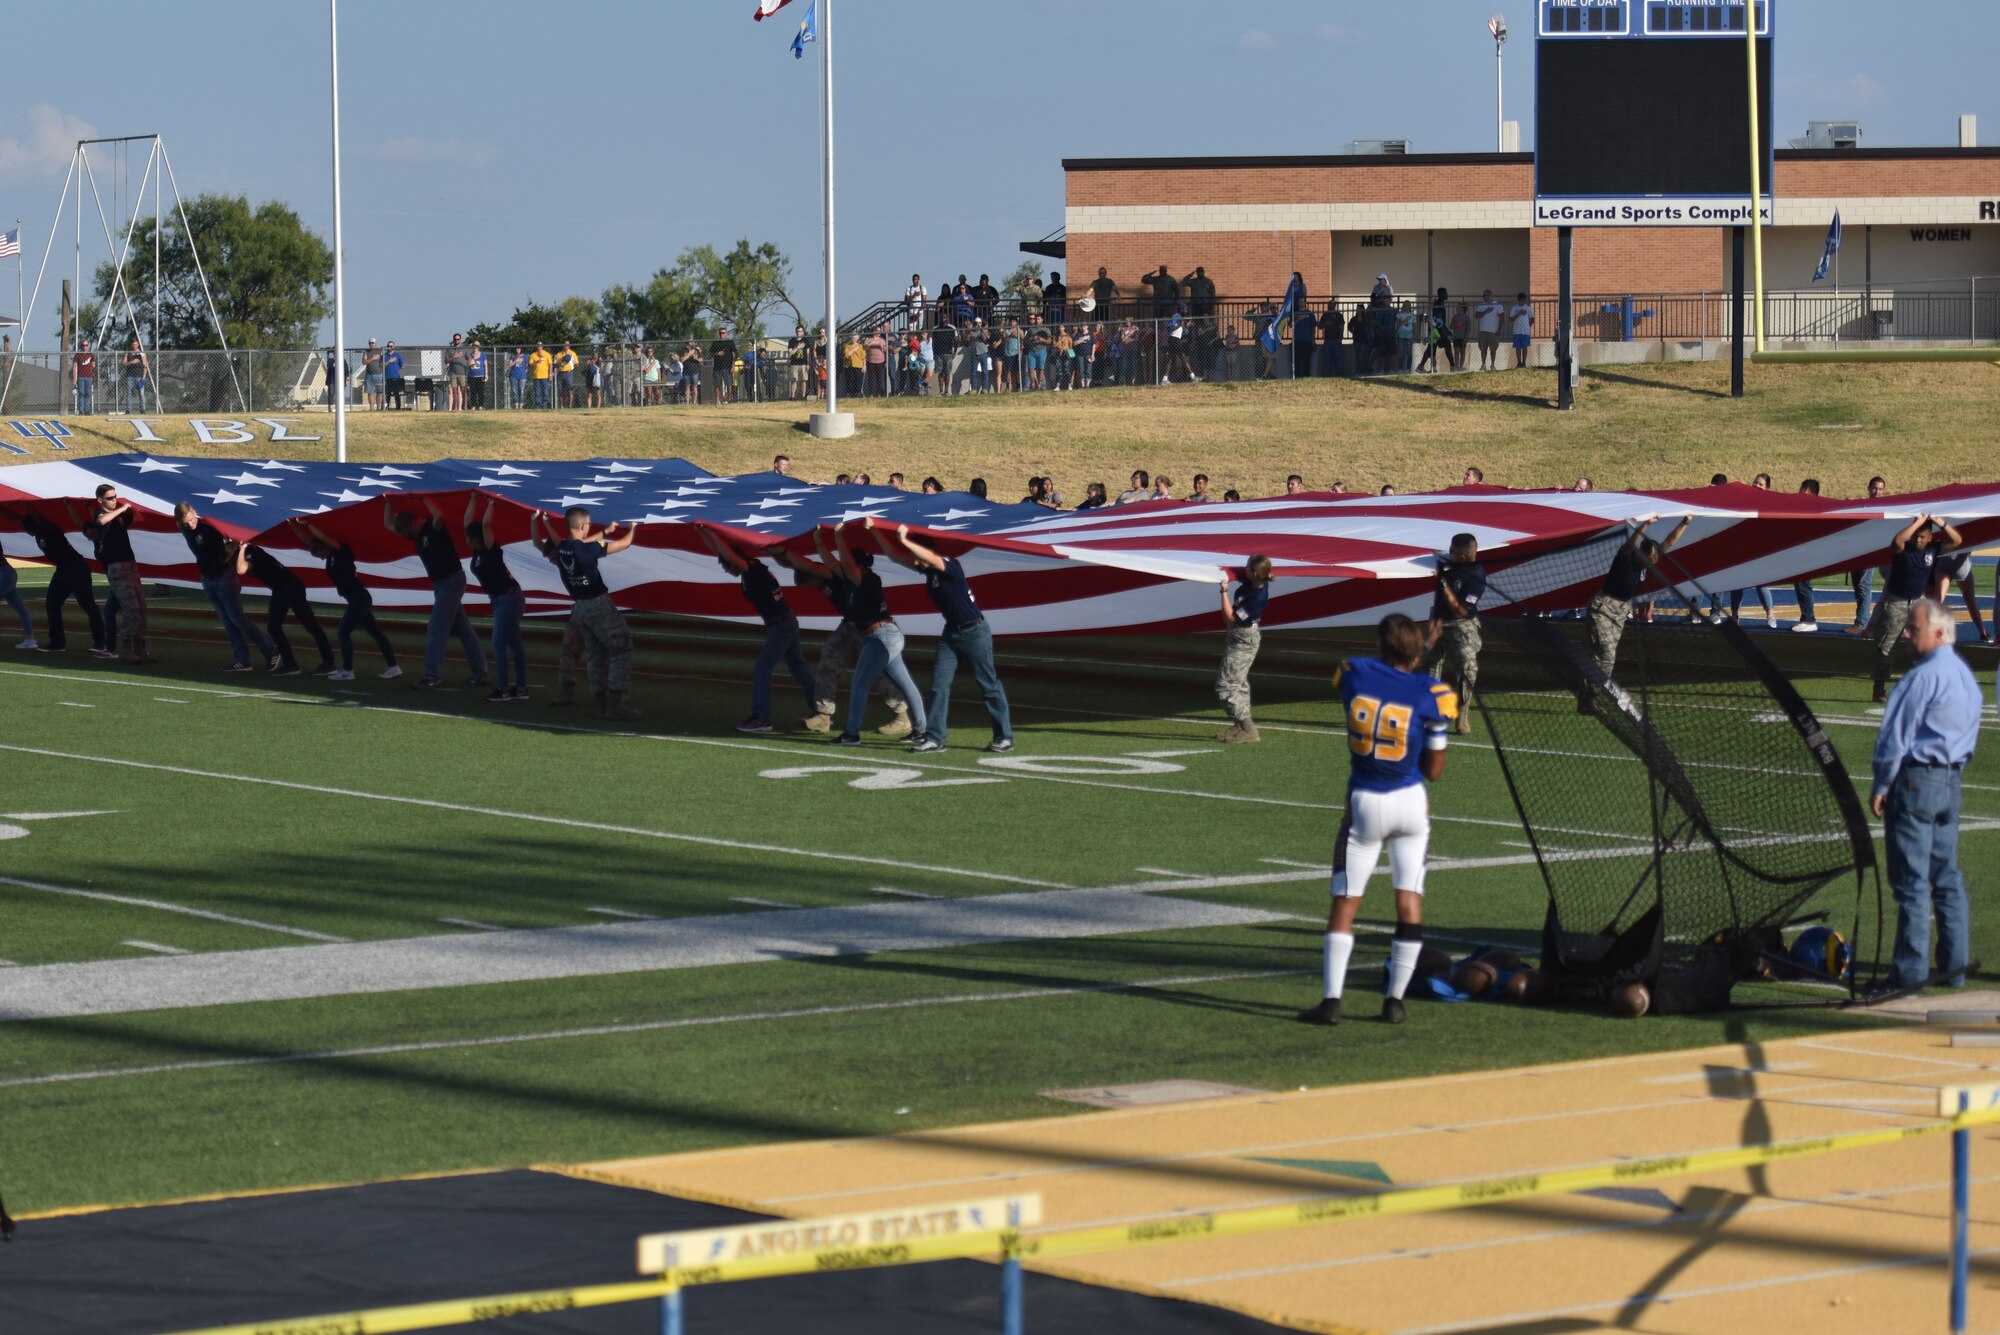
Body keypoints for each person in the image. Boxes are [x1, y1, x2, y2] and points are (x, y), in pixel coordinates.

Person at [1298, 613, 1457, 1027]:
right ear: (1416, 650)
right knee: (1409, 901)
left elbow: (1386, 675)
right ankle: (1394, 1002)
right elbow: (1435, 770)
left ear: (1381, 645)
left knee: (1346, 902)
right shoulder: (1433, 693)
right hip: (1410, 802)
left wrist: (1417, 646)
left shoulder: (1352, 673)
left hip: (1365, 801)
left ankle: (1332, 1001)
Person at [1871, 598, 1980, 990]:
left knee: (1912, 881)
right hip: (1950, 780)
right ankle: (1954, 969)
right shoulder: (1965, 676)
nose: (1905, 634)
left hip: (1917, 779)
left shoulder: (1921, 677)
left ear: (1938, 631)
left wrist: (1882, 784)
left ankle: (1909, 973)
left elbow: (1895, 737)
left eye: (1913, 629)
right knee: (1947, 877)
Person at [876, 521, 1012, 754]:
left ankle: (1004, 736)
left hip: (975, 632)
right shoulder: (929, 571)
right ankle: (936, 737)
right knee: (939, 684)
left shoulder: (950, 565)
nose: (915, 561)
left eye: (917, 555)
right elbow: (896, 557)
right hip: (952, 632)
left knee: (988, 685)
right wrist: (875, 531)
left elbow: (927, 557)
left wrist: (906, 540)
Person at [784, 528, 912, 735]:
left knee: (879, 674)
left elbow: (811, 565)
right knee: (828, 660)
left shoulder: (864, 578)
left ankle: (902, 716)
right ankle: (823, 716)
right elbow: (813, 562)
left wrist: (837, 537)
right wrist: (813, 544)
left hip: (873, 631)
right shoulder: (840, 573)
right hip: (849, 626)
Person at [700, 527, 818, 733]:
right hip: (785, 622)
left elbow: (728, 554)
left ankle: (762, 718)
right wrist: (701, 531)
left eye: (727, 566)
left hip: (782, 624)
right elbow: (722, 552)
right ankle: (821, 711)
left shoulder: (751, 569)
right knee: (799, 668)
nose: (727, 570)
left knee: (763, 668)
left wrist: (712, 533)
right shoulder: (753, 568)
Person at [531, 505, 638, 719]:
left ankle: (603, 704)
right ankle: (617, 704)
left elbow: (551, 541)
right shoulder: (586, 550)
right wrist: (633, 529)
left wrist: (540, 523)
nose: (589, 527)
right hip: (597, 604)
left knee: (596, 654)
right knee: (620, 648)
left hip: (579, 607)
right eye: (588, 524)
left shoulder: (562, 549)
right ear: (582, 525)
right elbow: (625, 544)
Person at [828, 523, 927, 747]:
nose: (845, 568)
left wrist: (838, 536)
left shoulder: (866, 579)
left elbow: (844, 563)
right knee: (906, 684)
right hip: (883, 636)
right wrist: (818, 540)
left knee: (860, 683)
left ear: (859, 565)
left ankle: (852, 734)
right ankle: (921, 730)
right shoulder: (857, 580)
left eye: (851, 564)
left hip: (881, 637)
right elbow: (833, 563)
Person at [384, 495, 488, 689]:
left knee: (436, 627)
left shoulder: (432, 526)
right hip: (442, 584)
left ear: (413, 522)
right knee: (463, 629)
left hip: (451, 580)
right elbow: (388, 524)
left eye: (406, 531)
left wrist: (424, 498)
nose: (406, 536)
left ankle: (432, 675)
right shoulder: (414, 533)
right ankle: (480, 672)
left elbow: (439, 515)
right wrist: (389, 503)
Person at [286, 517, 399, 681]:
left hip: (359, 597)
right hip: (355, 598)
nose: (321, 558)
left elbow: (323, 538)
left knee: (343, 632)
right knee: (375, 632)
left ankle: (347, 671)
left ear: (326, 548)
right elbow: (308, 541)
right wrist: (292, 525)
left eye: (321, 554)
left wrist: (308, 524)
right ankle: (393, 666)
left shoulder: (341, 552)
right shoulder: (329, 556)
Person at [1873, 514, 1965, 704]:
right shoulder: (1903, 549)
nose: (1918, 540)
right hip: (1896, 601)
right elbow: (1897, 540)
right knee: (1887, 645)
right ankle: (1879, 686)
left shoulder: (1933, 549)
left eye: (1922, 536)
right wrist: (1916, 524)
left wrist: (1941, 523)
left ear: (1930, 537)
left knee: (1926, 643)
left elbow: (1957, 540)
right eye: (1916, 536)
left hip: (1918, 601)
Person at [1587, 514, 1692, 681]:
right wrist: (1646, 524)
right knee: (1606, 653)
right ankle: (1594, 689)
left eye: (1653, 560)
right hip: (1603, 607)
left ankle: (1592, 690)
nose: (1651, 562)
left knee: (1606, 654)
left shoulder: (1648, 562)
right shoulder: (1626, 557)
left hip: (1620, 611)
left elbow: (1669, 542)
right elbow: (1630, 543)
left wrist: (1685, 522)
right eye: (1649, 559)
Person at [174, 502, 276, 671]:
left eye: (191, 520)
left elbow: (230, 539)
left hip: (224, 575)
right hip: (208, 578)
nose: (190, 524)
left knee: (238, 619)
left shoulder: (208, 527)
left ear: (194, 512)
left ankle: (270, 651)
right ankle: (242, 659)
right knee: (228, 622)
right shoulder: (185, 530)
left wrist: (231, 549)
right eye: (186, 522)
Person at [11, 508, 109, 659]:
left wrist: (26, 504)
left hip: (76, 567)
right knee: (52, 603)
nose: (26, 529)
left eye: (28, 526)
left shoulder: (49, 529)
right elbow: (16, 519)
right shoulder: (37, 533)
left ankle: (101, 642)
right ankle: (57, 642)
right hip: (63, 570)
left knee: (87, 604)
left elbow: (40, 518)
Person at [70, 484, 146, 663]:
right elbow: (101, 521)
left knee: (140, 607)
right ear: (100, 501)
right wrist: (121, 509)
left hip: (130, 565)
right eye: (110, 498)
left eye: (115, 497)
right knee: (131, 609)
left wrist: (132, 510)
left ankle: (139, 647)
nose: (114, 500)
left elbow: (138, 519)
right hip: (117, 569)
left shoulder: (117, 518)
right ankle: (124, 648)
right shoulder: (102, 517)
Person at [237, 540, 334, 677]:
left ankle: (329, 663)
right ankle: (291, 665)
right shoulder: (245, 552)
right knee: (274, 627)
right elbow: (228, 558)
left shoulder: (253, 552)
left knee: (311, 626)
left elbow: (241, 569)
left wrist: (242, 548)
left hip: (290, 587)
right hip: (280, 589)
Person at [464, 495, 528, 702]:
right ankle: (520, 688)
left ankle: (503, 689)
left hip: (507, 598)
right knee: (515, 644)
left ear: (477, 539)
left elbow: (485, 524)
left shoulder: (490, 549)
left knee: (499, 644)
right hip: (503, 599)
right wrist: (473, 499)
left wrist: (491, 502)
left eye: (469, 538)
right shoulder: (479, 551)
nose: (466, 541)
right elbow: (468, 523)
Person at [1423, 533, 1484, 736]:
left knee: (1467, 670)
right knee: (1429, 667)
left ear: (1463, 556)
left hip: (1461, 626)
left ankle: (1462, 715)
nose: (1449, 553)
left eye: (1453, 551)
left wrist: (1443, 585)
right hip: (1438, 623)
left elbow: (1461, 611)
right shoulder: (1445, 564)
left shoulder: (1476, 575)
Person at [1215, 555, 1274, 744]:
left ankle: (1248, 728)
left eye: (1248, 567)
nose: (1244, 569)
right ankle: (1239, 725)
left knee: (1226, 685)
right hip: (1238, 635)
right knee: (1239, 684)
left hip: (1243, 638)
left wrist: (1223, 592)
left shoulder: (1257, 599)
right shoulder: (1252, 581)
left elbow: (1230, 618)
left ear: (1256, 573)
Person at [1850, 475, 1888, 632]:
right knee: (1857, 586)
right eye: (1874, 488)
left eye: (1880, 489)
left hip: (1871, 551)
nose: (1877, 492)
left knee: (1864, 585)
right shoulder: (1863, 505)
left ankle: (1862, 623)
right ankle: (1860, 620)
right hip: (1857, 550)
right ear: (1868, 488)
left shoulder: (1886, 508)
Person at [1791, 478, 1824, 632]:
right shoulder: (1804, 508)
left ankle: (1809, 619)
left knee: (1803, 584)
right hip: (1801, 550)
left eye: (1804, 491)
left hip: (1807, 551)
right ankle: (1806, 617)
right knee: (1800, 584)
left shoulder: (1814, 509)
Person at [1, 540, 36, 649]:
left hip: (4, 574)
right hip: (8, 573)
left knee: (20, 608)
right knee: (20, 608)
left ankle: (30, 639)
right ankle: (30, 639)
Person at [1472, 290, 1504, 371]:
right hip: (1483, 331)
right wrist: (1485, 311)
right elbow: (1476, 316)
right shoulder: (1481, 305)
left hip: (1493, 331)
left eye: (1486, 295)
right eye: (1484, 295)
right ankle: (1483, 364)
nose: (1485, 297)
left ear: (1491, 296)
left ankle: (1492, 365)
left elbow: (1502, 317)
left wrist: (1499, 329)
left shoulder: (1497, 305)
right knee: (1483, 349)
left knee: (1493, 349)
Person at [1507, 294, 1534, 368]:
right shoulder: (1514, 308)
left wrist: (1528, 326)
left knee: (1524, 347)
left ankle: (1524, 363)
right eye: (1521, 300)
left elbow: (1532, 319)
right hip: (1517, 331)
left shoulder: (1528, 308)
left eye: (1524, 300)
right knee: (1518, 347)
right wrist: (1519, 313)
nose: (1523, 302)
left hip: (1525, 331)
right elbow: (1511, 319)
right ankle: (1519, 362)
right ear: (1518, 300)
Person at [122, 337, 148, 411]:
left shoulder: (142, 353)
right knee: (129, 393)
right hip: (130, 376)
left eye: (136, 344)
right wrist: (131, 362)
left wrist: (144, 377)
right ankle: (128, 410)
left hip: (139, 376)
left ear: (138, 344)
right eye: (133, 344)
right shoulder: (128, 353)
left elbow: (145, 365)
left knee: (141, 394)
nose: (134, 346)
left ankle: (142, 409)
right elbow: (123, 363)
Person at [72, 337, 96, 414]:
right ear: (81, 346)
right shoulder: (78, 355)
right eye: (83, 345)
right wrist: (74, 380)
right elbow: (75, 367)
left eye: (86, 345)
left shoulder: (91, 355)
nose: (85, 347)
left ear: (88, 346)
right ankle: (81, 410)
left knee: (87, 393)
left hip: (89, 376)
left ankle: (87, 410)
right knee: (81, 393)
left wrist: (93, 366)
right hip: (81, 376)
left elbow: (93, 365)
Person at [528, 342, 553, 409]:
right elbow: (530, 365)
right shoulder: (533, 355)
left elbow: (550, 364)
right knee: (537, 392)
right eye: (538, 346)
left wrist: (550, 374)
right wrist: (537, 362)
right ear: (537, 347)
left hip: (545, 376)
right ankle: (538, 406)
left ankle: (544, 406)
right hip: (536, 376)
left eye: (540, 346)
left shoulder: (547, 354)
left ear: (542, 347)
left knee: (545, 392)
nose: (539, 347)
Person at [384, 341, 406, 410]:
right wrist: (389, 362)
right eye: (388, 346)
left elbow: (402, 365)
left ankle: (398, 407)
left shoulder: (398, 355)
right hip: (388, 378)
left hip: (396, 378)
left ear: (394, 347)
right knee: (388, 393)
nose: (389, 347)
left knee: (396, 393)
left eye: (391, 346)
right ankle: (387, 407)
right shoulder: (385, 356)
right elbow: (381, 365)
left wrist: (396, 368)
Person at [466, 340, 488, 410]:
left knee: (480, 391)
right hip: (472, 376)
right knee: (473, 391)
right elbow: (467, 364)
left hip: (480, 375)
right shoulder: (470, 355)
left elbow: (485, 365)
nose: (475, 348)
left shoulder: (483, 354)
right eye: (474, 346)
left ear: (478, 347)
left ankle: (481, 405)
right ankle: (473, 405)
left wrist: (486, 374)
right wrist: (470, 362)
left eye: (476, 346)